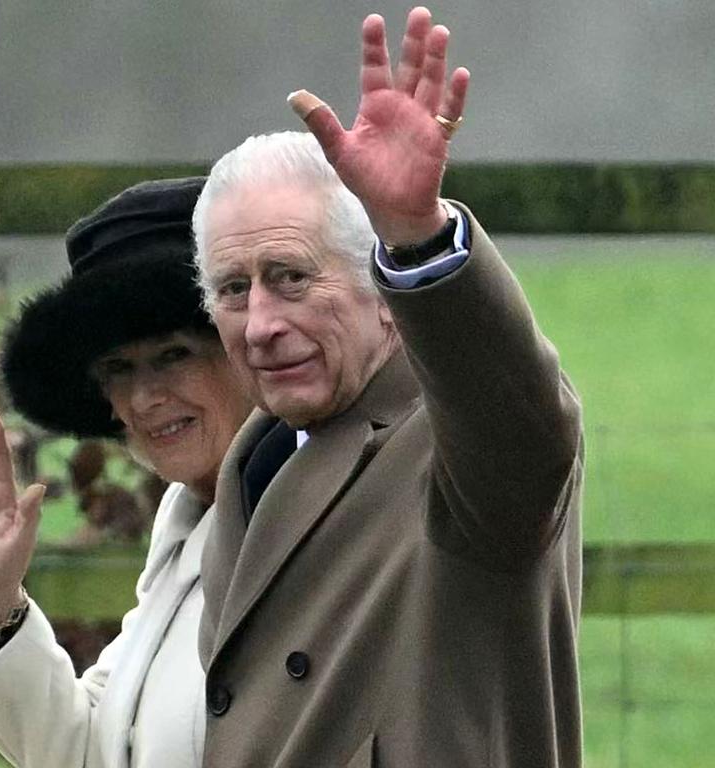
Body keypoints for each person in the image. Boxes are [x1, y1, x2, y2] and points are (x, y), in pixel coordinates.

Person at [191, 8, 583, 768]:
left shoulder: (453, 446)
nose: (262, 322)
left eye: (292, 278)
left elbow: (523, 430)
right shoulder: (255, 459)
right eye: (233, 290)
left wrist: (417, 236)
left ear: (380, 290)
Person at [0, 177, 254, 768]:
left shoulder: (319, 506)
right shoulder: (185, 528)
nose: (146, 396)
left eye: (174, 354)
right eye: (119, 369)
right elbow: (94, 751)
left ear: (247, 347)